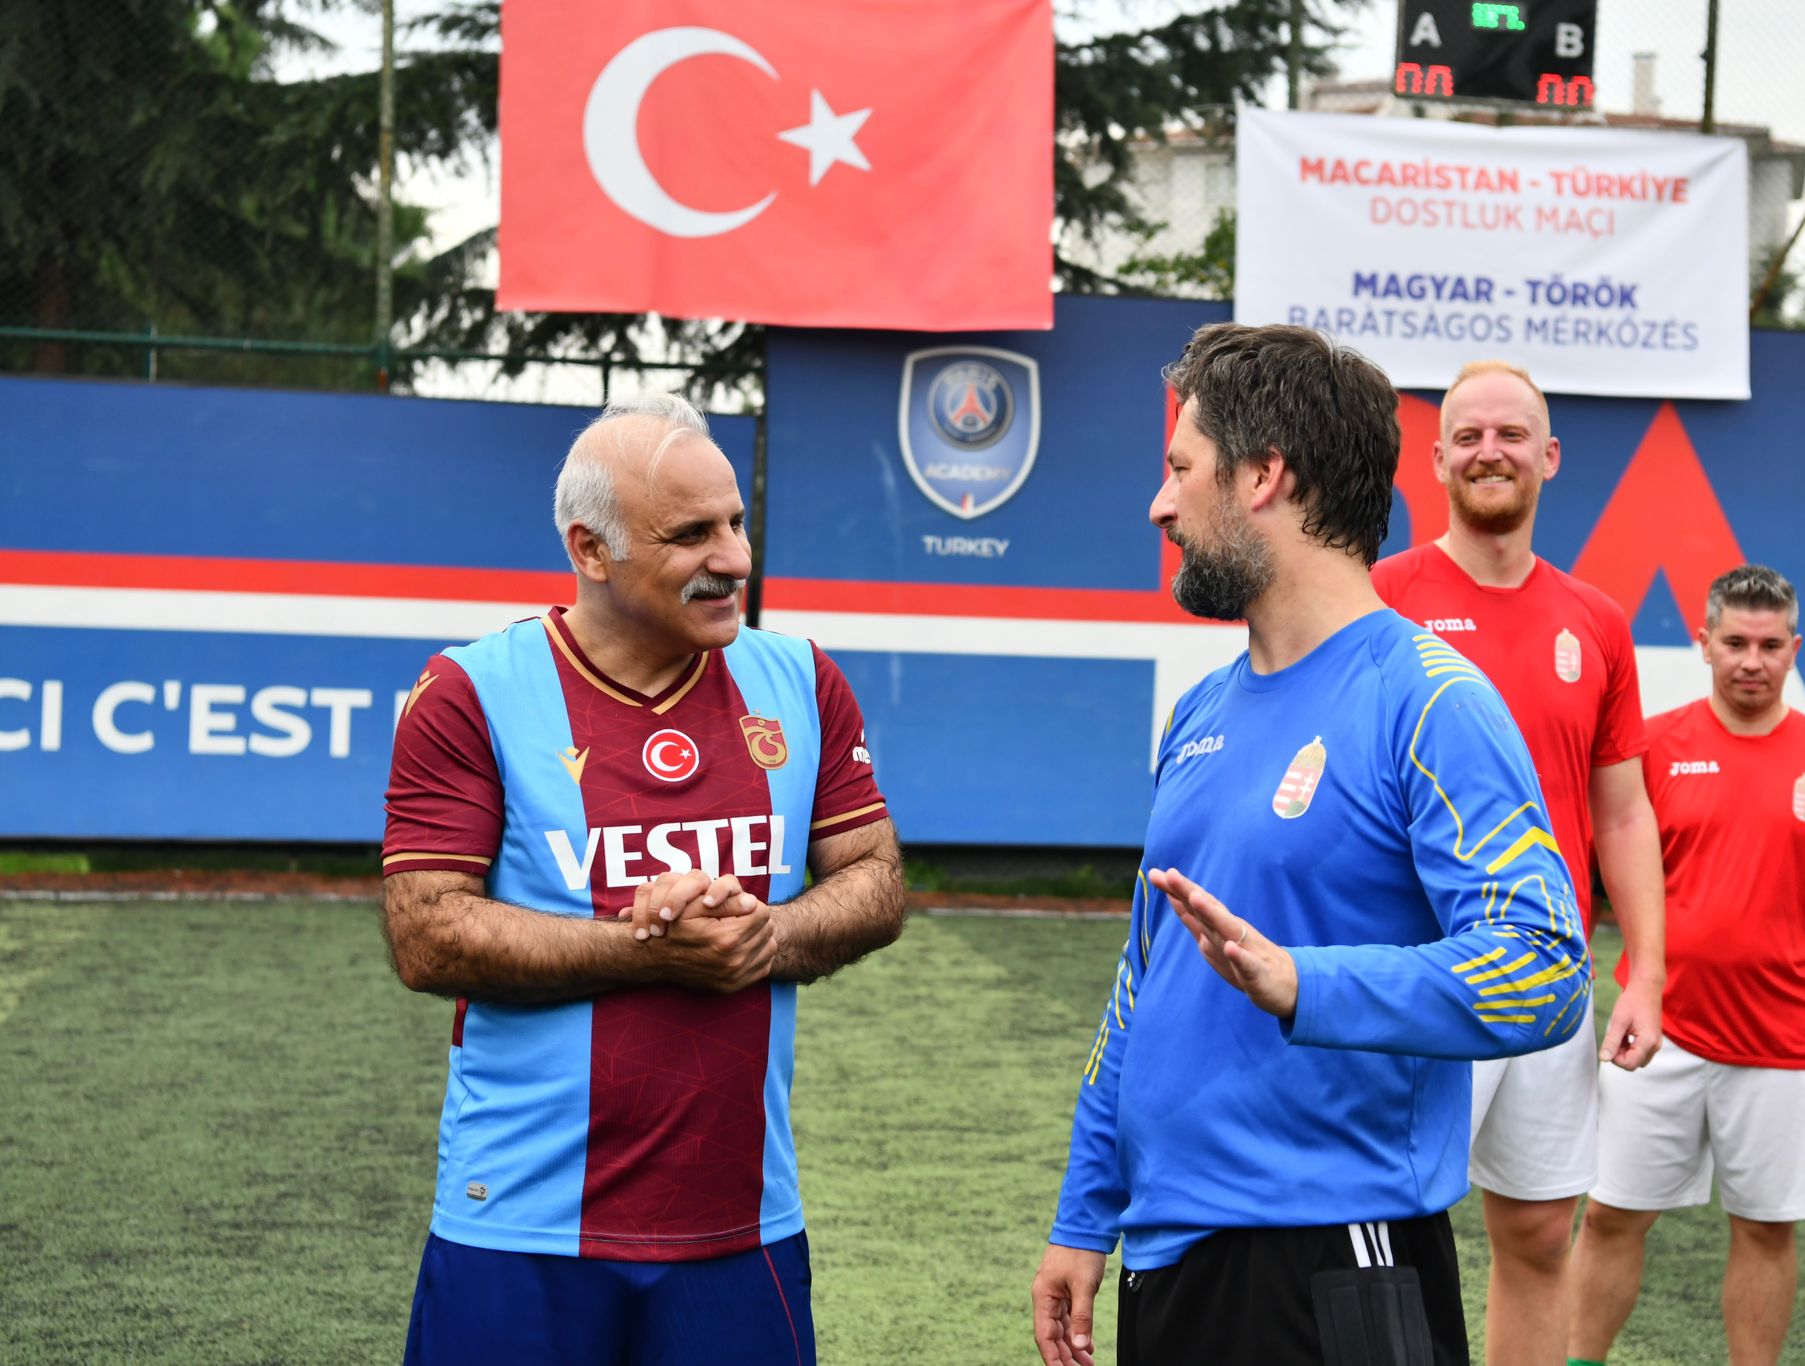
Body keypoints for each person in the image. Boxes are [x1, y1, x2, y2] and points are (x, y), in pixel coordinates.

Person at [1031, 324, 1590, 1366]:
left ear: (1263, 477)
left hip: (1337, 1259)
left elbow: (1545, 966)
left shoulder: (1431, 701)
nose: (1160, 505)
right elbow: (1142, 979)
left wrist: (1306, 984)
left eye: (1180, 469)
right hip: (1168, 1255)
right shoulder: (1197, 712)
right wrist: (1085, 1211)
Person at [379, 394, 905, 1366]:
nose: (734, 558)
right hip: (519, 1225)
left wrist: (767, 936)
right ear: (590, 549)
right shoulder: (469, 693)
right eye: (691, 535)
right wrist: (646, 947)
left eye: (736, 523)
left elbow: (874, 878)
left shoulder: (800, 679)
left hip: (738, 1224)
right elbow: (426, 934)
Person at [1370, 359, 1666, 1366]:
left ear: (1549, 456)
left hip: (1545, 970)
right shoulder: (1379, 597)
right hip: (1415, 969)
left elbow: (1620, 812)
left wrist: (1645, 972)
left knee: (1539, 1230)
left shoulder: (1597, 620)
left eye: (1509, 435)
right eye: (1467, 436)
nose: (1488, 452)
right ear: (1436, 459)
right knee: (1384, 1225)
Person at [1564, 564, 1805, 1366]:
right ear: (1704, 643)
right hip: (1658, 1033)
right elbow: (1597, 868)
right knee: (1609, 1215)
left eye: (1770, 646)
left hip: (1786, 1044)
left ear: (1795, 650)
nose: (1753, 661)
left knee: (1766, 1228)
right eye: (1737, 643)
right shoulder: (1650, 748)